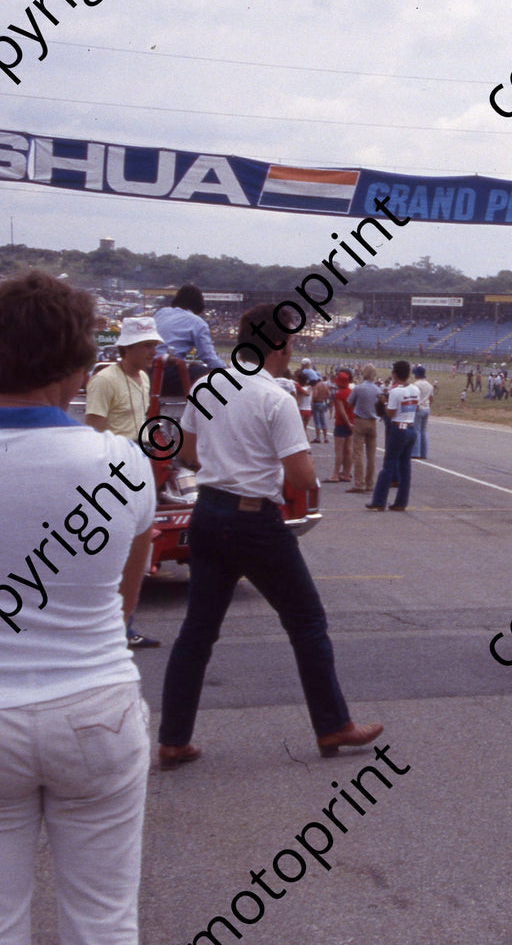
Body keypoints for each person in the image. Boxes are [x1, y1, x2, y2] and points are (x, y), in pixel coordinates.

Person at [0, 271, 154, 944]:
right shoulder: (122, 463)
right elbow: (127, 593)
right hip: (94, 702)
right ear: (75, 367)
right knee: (103, 920)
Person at [162, 301, 382, 766]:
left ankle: (174, 737)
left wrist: (227, 462)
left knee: (197, 632)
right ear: (279, 344)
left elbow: (188, 452)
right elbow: (302, 478)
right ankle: (332, 724)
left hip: (209, 512)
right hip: (254, 519)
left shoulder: (207, 386)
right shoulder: (275, 398)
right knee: (307, 621)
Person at [83, 315, 165, 650]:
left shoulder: (143, 378)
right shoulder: (104, 380)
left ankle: (124, 625)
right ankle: (107, 628)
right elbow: (93, 430)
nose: (152, 352)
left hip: (137, 465)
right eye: (146, 345)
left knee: (135, 550)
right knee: (110, 550)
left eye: (154, 345)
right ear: (127, 346)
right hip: (112, 471)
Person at [367, 361, 420, 512]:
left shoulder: (396, 392)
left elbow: (390, 414)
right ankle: (401, 501)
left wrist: (384, 403)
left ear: (395, 374)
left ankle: (379, 500)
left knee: (388, 465)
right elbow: (415, 408)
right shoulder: (415, 389)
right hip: (411, 427)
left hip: (399, 428)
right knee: (405, 466)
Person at [153, 283, 225, 372]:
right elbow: (208, 357)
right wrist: (227, 370)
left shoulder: (161, 312)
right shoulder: (198, 323)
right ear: (199, 304)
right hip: (168, 369)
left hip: (149, 366)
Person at [347, 364, 382, 494]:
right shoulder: (377, 389)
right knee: (371, 455)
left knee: (358, 453)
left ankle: (359, 483)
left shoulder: (358, 388)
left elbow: (349, 402)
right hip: (372, 421)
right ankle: (369, 483)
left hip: (360, 420)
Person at [325, 369, 354, 483]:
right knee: (348, 449)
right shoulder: (351, 392)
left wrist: (347, 423)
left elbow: (342, 412)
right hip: (352, 422)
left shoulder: (339, 394)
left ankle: (335, 474)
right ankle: (347, 473)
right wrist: (351, 424)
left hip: (342, 423)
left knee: (339, 450)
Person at [411, 364, 433, 460]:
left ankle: (416, 452)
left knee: (416, 430)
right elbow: (431, 398)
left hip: (419, 407)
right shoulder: (429, 385)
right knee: (423, 431)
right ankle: (424, 452)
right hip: (426, 407)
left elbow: (414, 397)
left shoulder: (416, 385)